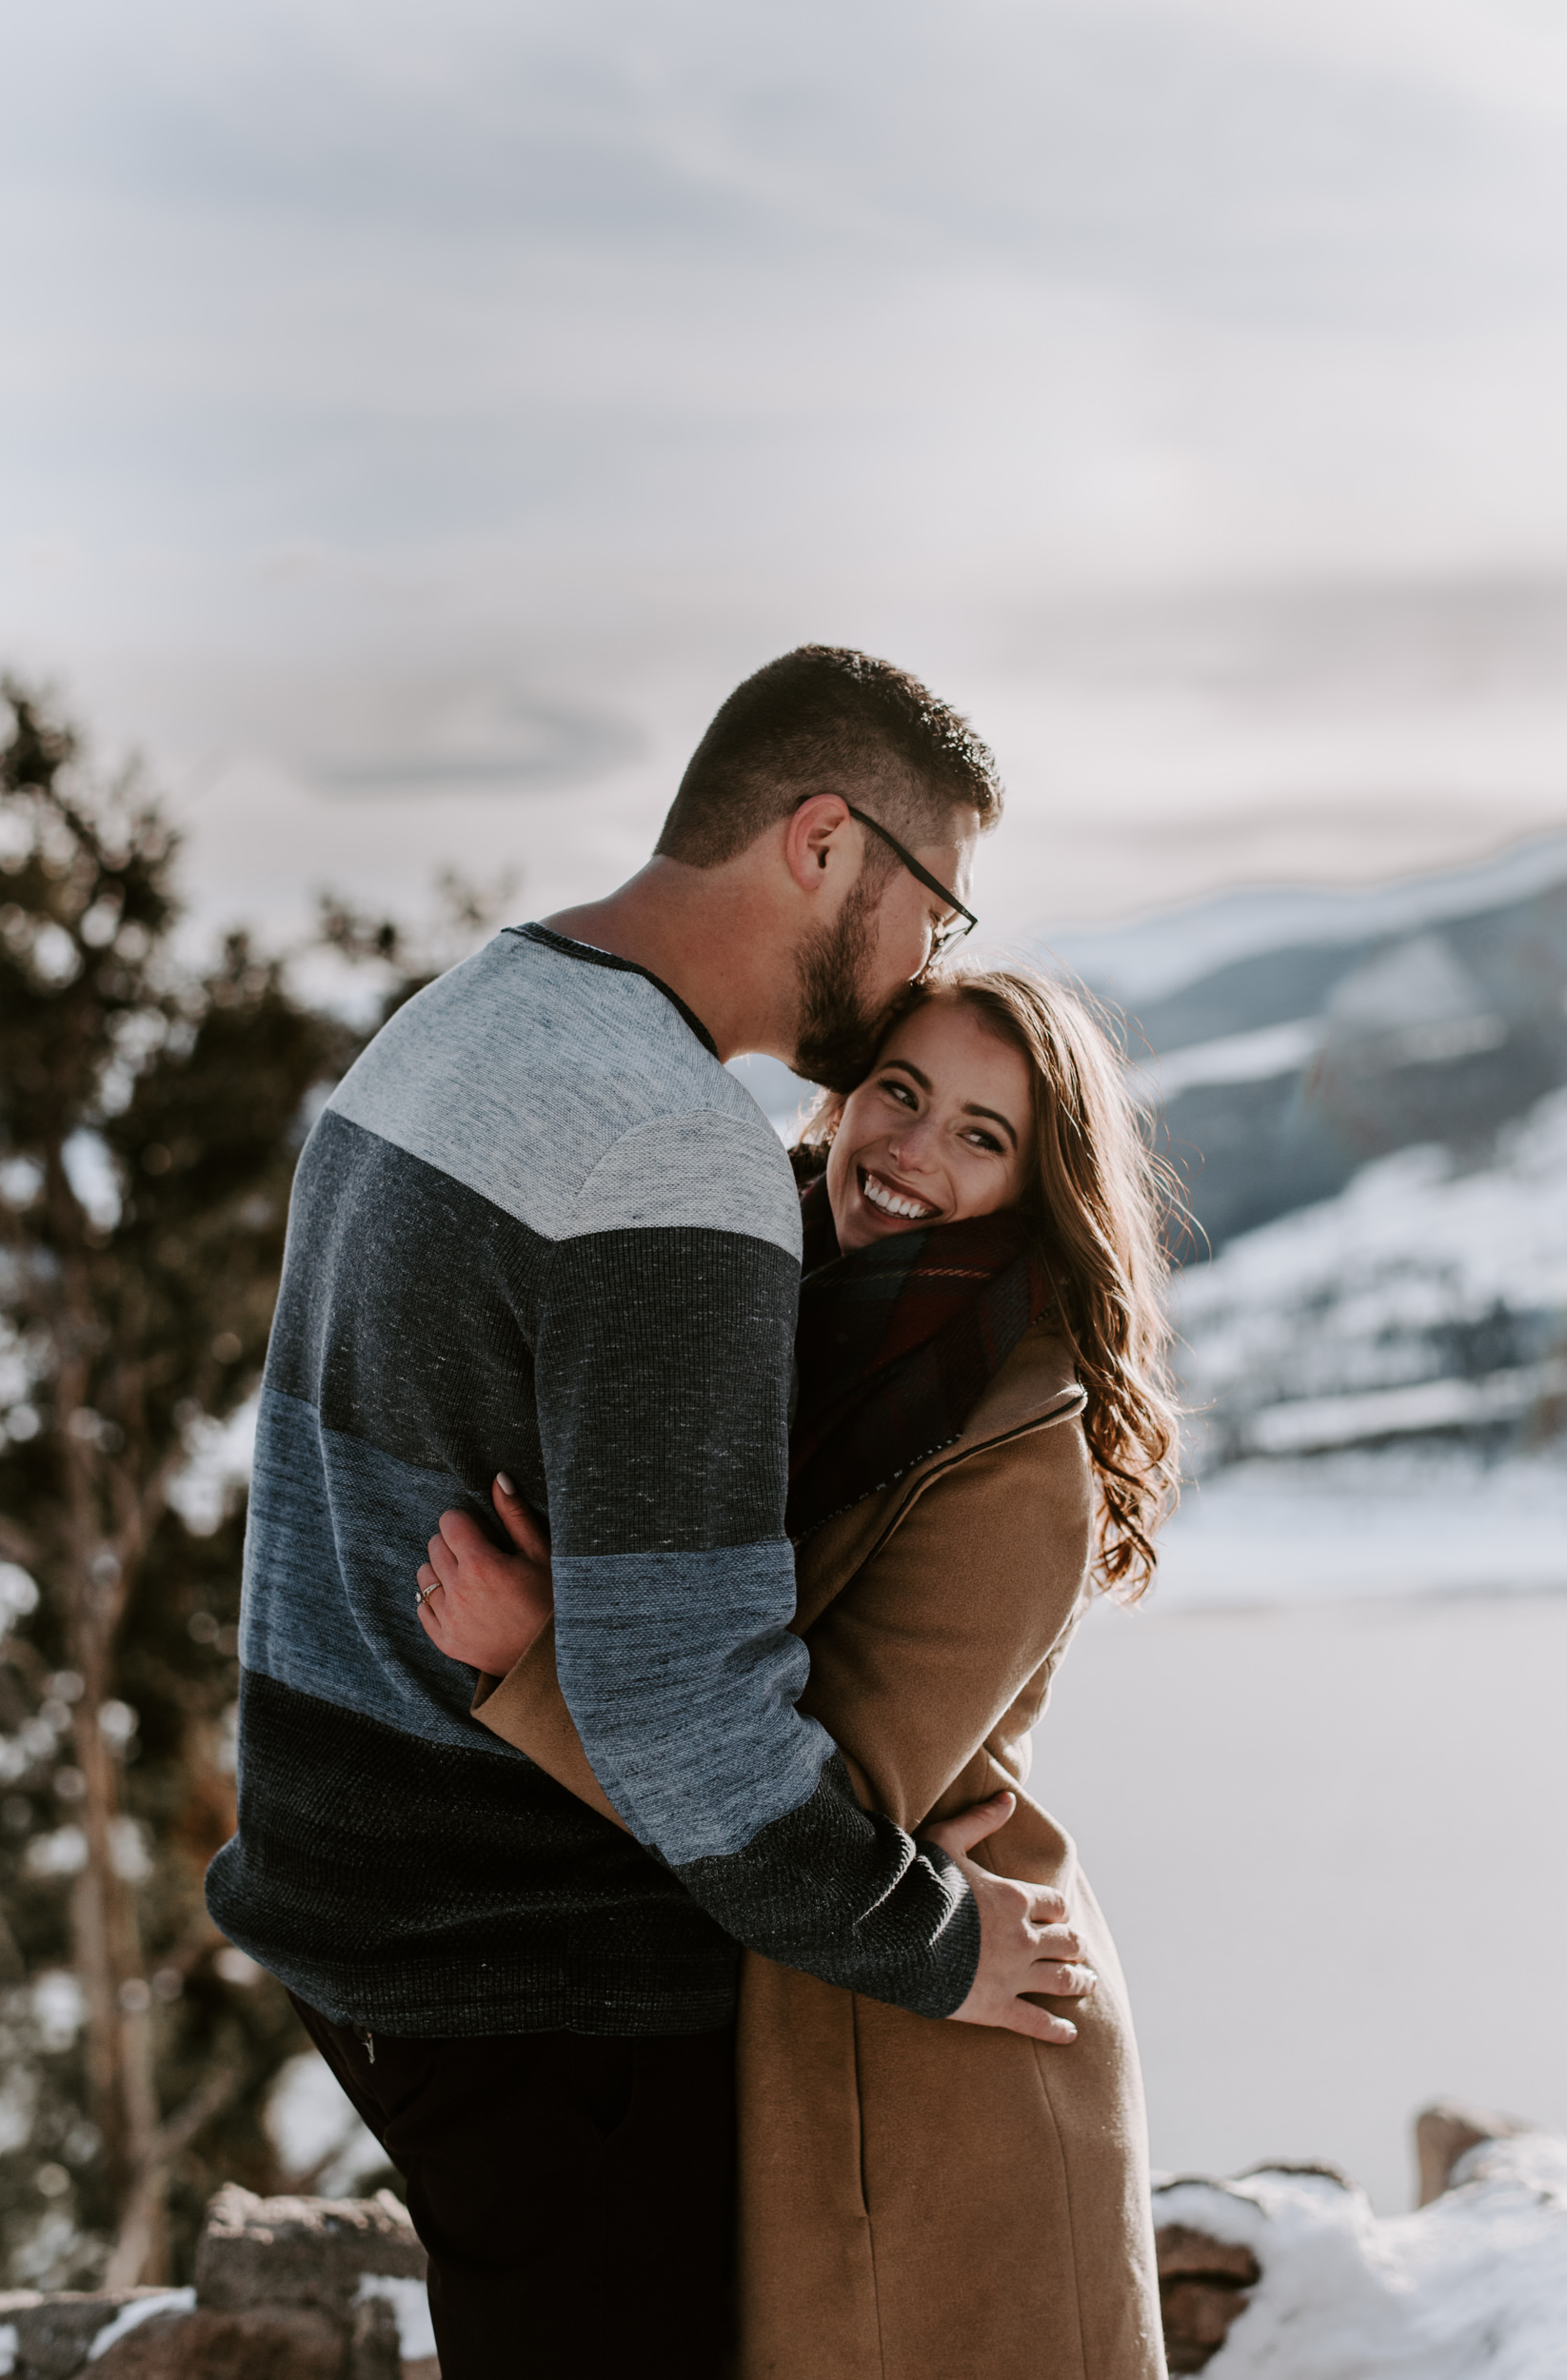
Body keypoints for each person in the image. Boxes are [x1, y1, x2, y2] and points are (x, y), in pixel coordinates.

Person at [205, 647, 1094, 2379]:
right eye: (937, 912)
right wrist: (932, 1944)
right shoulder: (674, 1157)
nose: (929, 964)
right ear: (825, 842)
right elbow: (689, 1721)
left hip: (351, 1895)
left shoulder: (473, 1009)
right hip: (525, 1965)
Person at [426, 965, 1180, 2378]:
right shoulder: (738, 1301)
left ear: (1035, 1187)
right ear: (841, 1096)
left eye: (979, 1134)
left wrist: (533, 1663)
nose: (910, 1152)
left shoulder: (1018, 1457)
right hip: (800, 2010)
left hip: (929, 2054)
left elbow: (805, 1793)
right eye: (899, 1093)